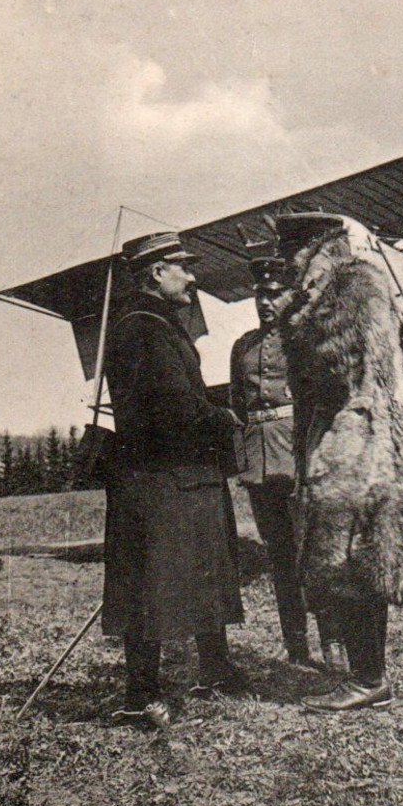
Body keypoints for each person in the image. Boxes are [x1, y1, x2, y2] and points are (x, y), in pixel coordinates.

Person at [103, 231, 248, 730]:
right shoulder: (142, 327)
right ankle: (140, 695)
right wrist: (223, 416)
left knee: (201, 568)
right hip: (160, 479)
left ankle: (217, 669)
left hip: (180, 475)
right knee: (151, 585)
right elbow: (173, 406)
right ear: (156, 273)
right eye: (181, 267)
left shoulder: (156, 322)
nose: (190, 276)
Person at [230, 256, 347, 673]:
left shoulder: (306, 340)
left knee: (311, 555)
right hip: (260, 466)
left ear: (291, 295)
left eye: (275, 292)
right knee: (279, 557)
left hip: (297, 458)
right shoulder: (243, 346)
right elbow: (238, 407)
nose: (265, 301)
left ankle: (333, 641)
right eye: (260, 293)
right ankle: (296, 646)